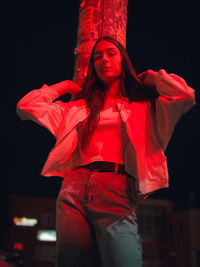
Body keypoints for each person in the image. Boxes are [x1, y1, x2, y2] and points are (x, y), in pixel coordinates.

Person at [16, 36, 195, 267]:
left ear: (123, 59)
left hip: (117, 189)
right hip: (74, 189)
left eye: (111, 53)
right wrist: (65, 87)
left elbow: (185, 96)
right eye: (97, 57)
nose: (104, 60)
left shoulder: (144, 107)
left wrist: (154, 77)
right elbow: (25, 107)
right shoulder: (78, 108)